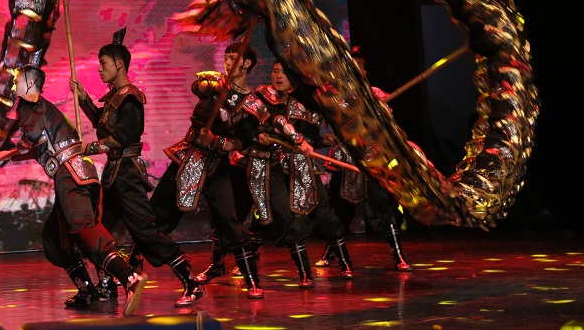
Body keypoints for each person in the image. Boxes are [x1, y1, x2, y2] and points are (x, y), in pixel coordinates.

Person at [0, 65, 145, 316]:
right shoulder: (44, 110)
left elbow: (31, 139)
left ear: (29, 85)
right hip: (78, 173)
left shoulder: (30, 107)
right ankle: (87, 290)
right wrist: (8, 155)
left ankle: (129, 277)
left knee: (84, 230)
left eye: (18, 81)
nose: (14, 85)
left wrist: (9, 153)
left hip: (70, 174)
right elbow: (40, 144)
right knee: (54, 239)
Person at [72, 28, 204, 307]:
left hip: (127, 175)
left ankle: (191, 282)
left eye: (103, 63)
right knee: (99, 233)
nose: (99, 69)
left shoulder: (131, 98)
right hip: (114, 176)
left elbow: (119, 139)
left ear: (119, 64)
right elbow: (103, 126)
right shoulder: (115, 98)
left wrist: (88, 149)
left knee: (146, 233)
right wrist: (84, 99)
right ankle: (107, 285)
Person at [146, 41, 262, 298]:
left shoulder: (253, 103)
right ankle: (132, 268)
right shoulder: (215, 83)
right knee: (157, 212)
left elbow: (243, 141)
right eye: (227, 57)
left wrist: (217, 141)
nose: (228, 62)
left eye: (234, 58)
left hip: (217, 164)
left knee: (230, 221)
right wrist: (214, 87)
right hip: (188, 155)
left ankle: (252, 280)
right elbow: (196, 87)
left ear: (246, 64)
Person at [239, 61, 353, 287]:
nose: (278, 76)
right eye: (275, 71)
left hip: (303, 167)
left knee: (324, 214)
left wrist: (320, 141)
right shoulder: (262, 97)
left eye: (284, 73)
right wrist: (258, 135)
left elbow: (309, 139)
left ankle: (345, 262)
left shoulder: (306, 104)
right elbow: (250, 126)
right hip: (275, 167)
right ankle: (302, 272)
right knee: (279, 217)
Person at [316, 48, 413, 272]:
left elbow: (391, 129)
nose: (356, 70)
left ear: (365, 71)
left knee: (384, 206)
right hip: (346, 160)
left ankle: (398, 254)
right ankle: (332, 251)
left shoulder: (377, 96)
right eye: (352, 66)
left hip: (373, 159)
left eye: (360, 66)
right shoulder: (336, 98)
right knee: (339, 209)